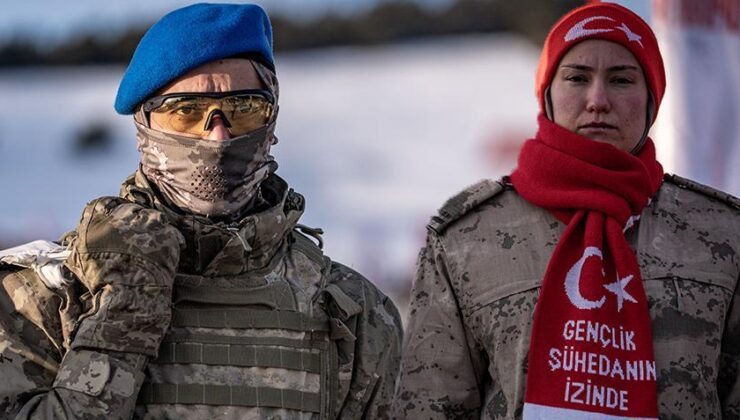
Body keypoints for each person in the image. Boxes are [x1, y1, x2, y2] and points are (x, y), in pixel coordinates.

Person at [0, 3, 402, 419]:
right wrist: (120, 318)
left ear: (272, 117)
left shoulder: (354, 317)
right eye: (186, 111)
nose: (218, 134)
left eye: (244, 108)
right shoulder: (48, 297)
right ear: (145, 123)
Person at [393, 3, 739, 419]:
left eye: (621, 79)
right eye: (577, 77)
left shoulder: (723, 235)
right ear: (547, 95)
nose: (597, 100)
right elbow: (429, 407)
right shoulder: (466, 239)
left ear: (653, 99)